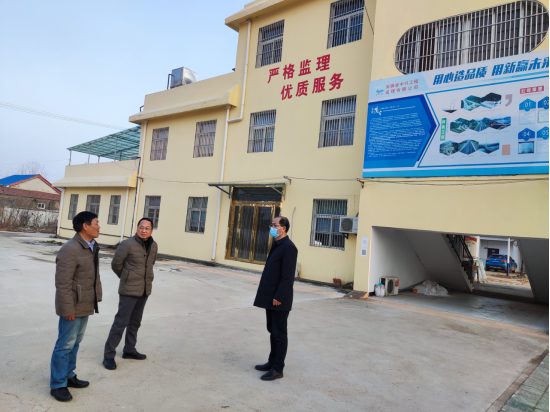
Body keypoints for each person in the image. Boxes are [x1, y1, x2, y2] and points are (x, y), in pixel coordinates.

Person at [50, 211, 103, 402]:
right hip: (72, 305)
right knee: (64, 344)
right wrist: (67, 309)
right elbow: (63, 283)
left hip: (85, 302)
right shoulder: (70, 249)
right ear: (85, 226)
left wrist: (96, 296)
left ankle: (68, 375)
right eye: (96, 223)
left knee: (75, 342)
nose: (99, 226)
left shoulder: (91, 246)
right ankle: (58, 384)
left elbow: (92, 276)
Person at [103, 217, 158, 370]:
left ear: (151, 230)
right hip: (129, 290)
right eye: (141, 227)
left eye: (147, 228)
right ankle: (108, 355)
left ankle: (129, 350)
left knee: (135, 322)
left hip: (144, 289)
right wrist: (127, 277)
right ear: (137, 228)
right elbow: (116, 264)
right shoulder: (126, 244)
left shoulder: (153, 245)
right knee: (120, 323)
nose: (143, 230)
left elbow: (151, 263)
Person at [253, 216, 298, 381]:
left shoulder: (289, 247)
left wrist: (279, 296)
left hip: (279, 299)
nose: (272, 227)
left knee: (279, 334)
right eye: (271, 224)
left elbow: (287, 277)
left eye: (275, 225)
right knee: (272, 331)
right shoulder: (277, 244)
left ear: (283, 228)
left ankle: (278, 368)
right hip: (270, 297)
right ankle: (272, 362)